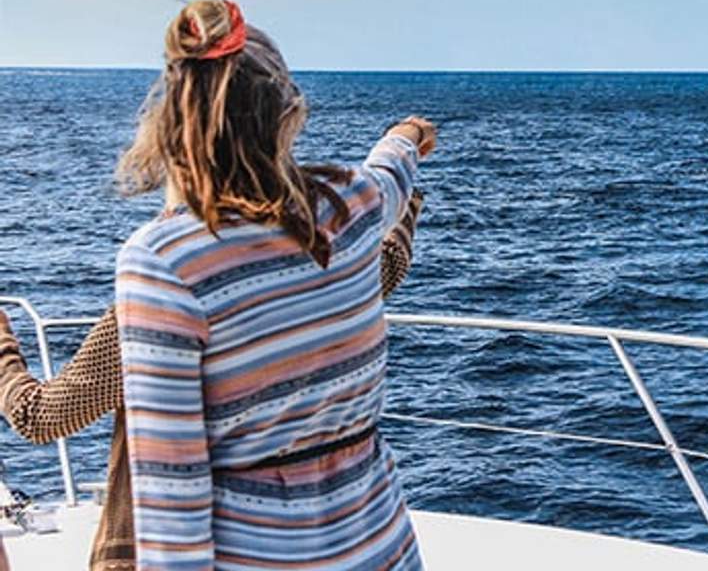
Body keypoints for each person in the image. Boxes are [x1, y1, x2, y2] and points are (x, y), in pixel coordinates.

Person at [83, 0, 429, 569]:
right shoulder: (352, 204)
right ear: (285, 113)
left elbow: (174, 497)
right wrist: (408, 134)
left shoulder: (164, 264)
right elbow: (390, 173)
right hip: (381, 546)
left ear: (173, 122)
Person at [0, 191, 423, 569]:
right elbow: (388, 261)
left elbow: (43, 416)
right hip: (308, 537)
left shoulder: (164, 298)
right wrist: (403, 190)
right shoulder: (320, 277)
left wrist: (3, 347)